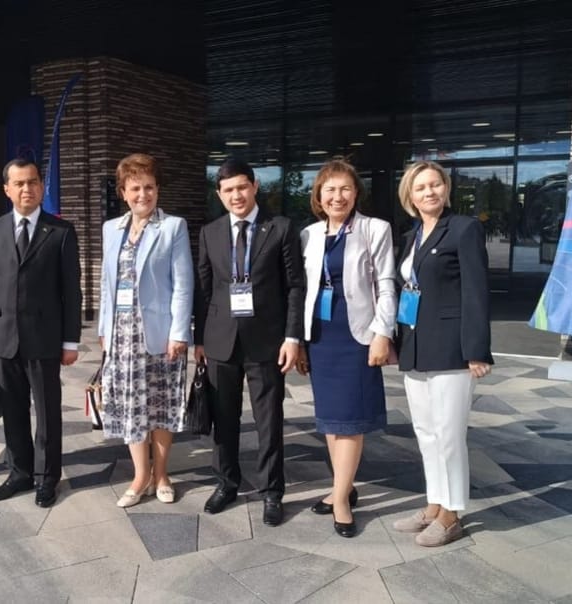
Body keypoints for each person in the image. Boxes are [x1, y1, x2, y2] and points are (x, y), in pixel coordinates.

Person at [193, 158, 305, 527]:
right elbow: (204, 289)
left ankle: (272, 491)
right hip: (220, 340)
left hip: (267, 340)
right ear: (219, 194)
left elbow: (294, 287)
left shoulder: (280, 228)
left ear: (255, 187)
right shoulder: (210, 233)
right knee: (223, 418)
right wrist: (199, 339)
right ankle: (226, 482)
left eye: (242, 187)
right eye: (228, 190)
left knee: (268, 420)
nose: (236, 195)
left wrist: (292, 337)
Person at [391, 160, 493, 547]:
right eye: (420, 187)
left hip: (452, 348)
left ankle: (451, 515)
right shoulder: (411, 235)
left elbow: (476, 292)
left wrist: (476, 350)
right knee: (426, 432)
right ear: (410, 196)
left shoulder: (464, 229)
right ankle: (434, 503)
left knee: (449, 435)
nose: (429, 192)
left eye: (435, 184)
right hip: (416, 347)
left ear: (446, 188)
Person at [297, 158, 396, 538]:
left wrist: (382, 333)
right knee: (330, 417)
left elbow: (386, 283)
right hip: (320, 336)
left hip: (357, 334)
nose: (337, 197)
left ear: (356, 193)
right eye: (330, 190)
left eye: (345, 189)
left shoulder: (374, 229)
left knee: (351, 418)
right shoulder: (308, 235)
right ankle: (344, 486)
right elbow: (302, 290)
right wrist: (299, 340)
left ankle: (340, 499)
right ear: (318, 196)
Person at [0, 158, 82, 508]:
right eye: (19, 183)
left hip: (45, 337)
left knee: (48, 412)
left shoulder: (61, 231)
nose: (27, 189)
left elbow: (72, 291)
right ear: (7, 189)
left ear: (42, 186)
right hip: (3, 337)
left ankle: (47, 478)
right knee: (12, 409)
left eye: (33, 182)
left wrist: (71, 341)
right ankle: (19, 472)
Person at [98, 153, 193, 508]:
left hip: (160, 334)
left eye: (149, 187)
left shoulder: (172, 227)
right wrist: (104, 329)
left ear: (157, 190)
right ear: (123, 192)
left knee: (161, 404)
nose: (143, 195)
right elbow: (107, 285)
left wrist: (179, 333)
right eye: (135, 188)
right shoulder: (111, 229)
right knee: (131, 405)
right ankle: (140, 476)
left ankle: (162, 474)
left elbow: (183, 284)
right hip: (122, 335)